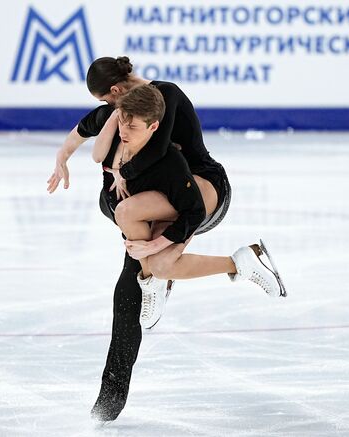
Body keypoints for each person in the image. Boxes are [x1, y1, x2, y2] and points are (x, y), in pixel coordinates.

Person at [46, 57, 286, 423]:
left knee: (145, 264)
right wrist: (64, 157)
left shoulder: (163, 99)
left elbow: (158, 153)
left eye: (113, 107)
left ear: (116, 91)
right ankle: (109, 402)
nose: (118, 119)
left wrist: (119, 169)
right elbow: (83, 132)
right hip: (154, 205)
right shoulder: (117, 114)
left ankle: (157, 277)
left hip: (197, 192)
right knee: (134, 283)